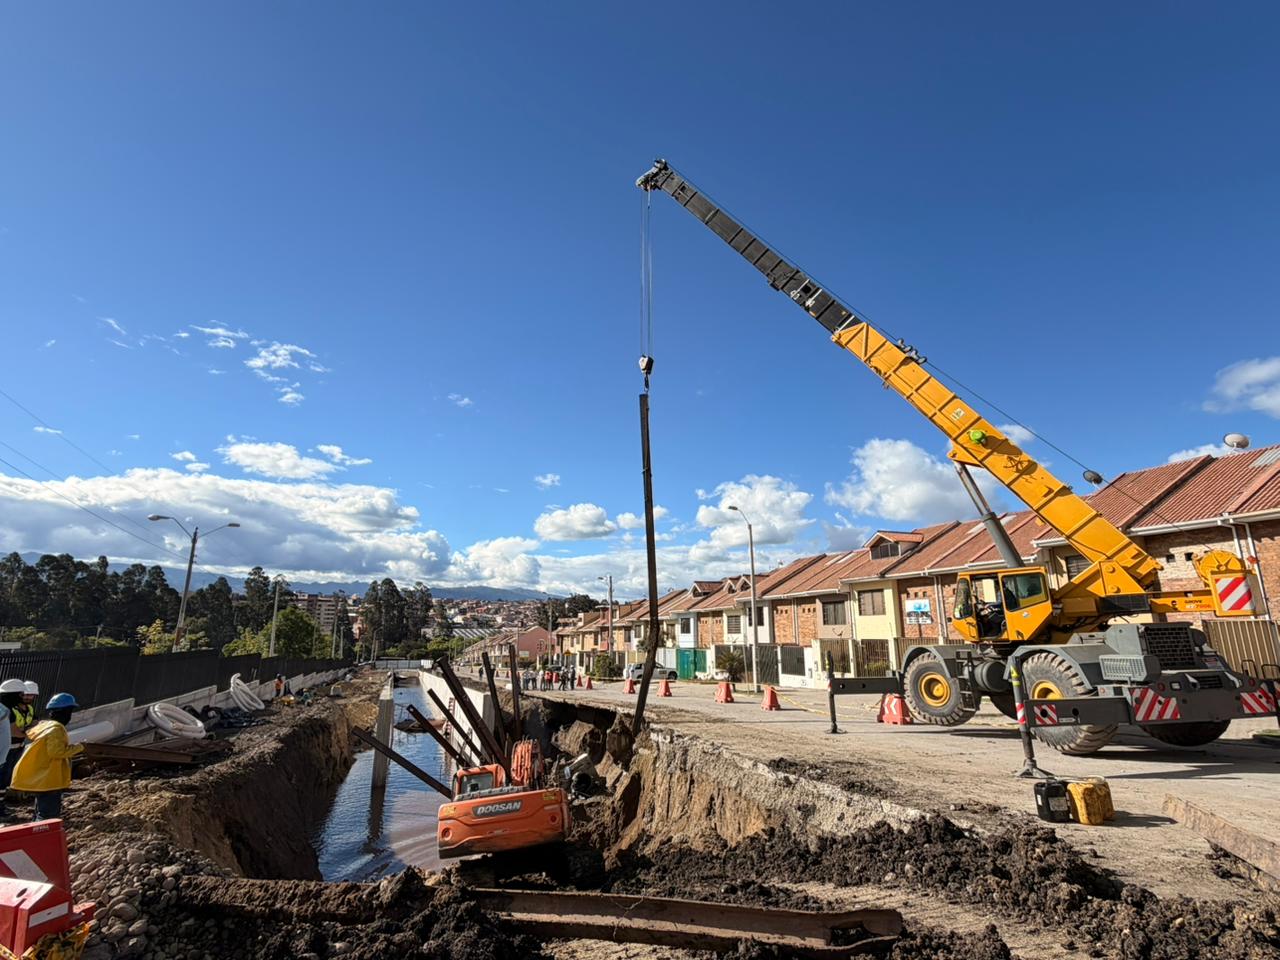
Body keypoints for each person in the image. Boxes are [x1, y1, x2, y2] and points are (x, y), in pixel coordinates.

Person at [12, 693, 85, 821]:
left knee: (40, 810)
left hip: (39, 776)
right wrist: (79, 747)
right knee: (48, 816)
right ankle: (42, 837)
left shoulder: (43, 725)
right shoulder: (56, 729)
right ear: (65, 712)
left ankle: (36, 833)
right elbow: (56, 753)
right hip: (49, 778)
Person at [0, 679, 28, 818]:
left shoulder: (5, 710)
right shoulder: (3, 711)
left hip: (3, 755)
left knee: (4, 782)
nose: (23, 698)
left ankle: (1, 807)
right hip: (3, 754)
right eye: (20, 695)